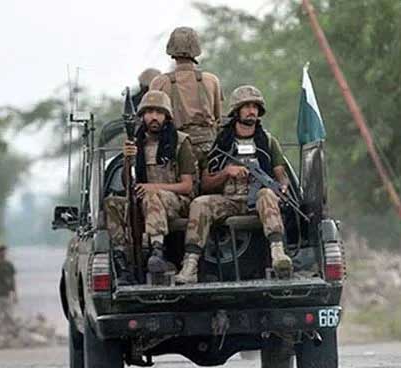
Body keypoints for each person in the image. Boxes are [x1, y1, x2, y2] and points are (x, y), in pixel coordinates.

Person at [175, 85, 293, 284]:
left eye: (255, 107)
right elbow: (206, 183)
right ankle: (190, 265)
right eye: (246, 106)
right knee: (200, 204)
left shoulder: (268, 142)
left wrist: (281, 187)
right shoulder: (222, 143)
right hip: (229, 201)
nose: (251, 111)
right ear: (236, 111)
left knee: (267, 194)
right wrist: (226, 172)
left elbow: (281, 175)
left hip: (257, 201)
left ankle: (278, 255)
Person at [104, 90, 196, 284]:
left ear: (167, 116)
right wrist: (129, 159)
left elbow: (187, 186)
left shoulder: (180, 142)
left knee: (152, 196)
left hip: (176, 202)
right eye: (149, 112)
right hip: (144, 201)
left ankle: (157, 250)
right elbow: (129, 184)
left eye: (159, 112)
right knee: (112, 203)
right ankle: (122, 261)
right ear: (142, 116)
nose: (154, 117)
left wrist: (153, 187)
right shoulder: (136, 143)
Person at [150, 26, 223, 162]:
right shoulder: (211, 80)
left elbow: (150, 119)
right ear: (196, 49)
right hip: (208, 148)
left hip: (174, 147)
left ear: (171, 49)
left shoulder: (159, 82)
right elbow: (218, 117)